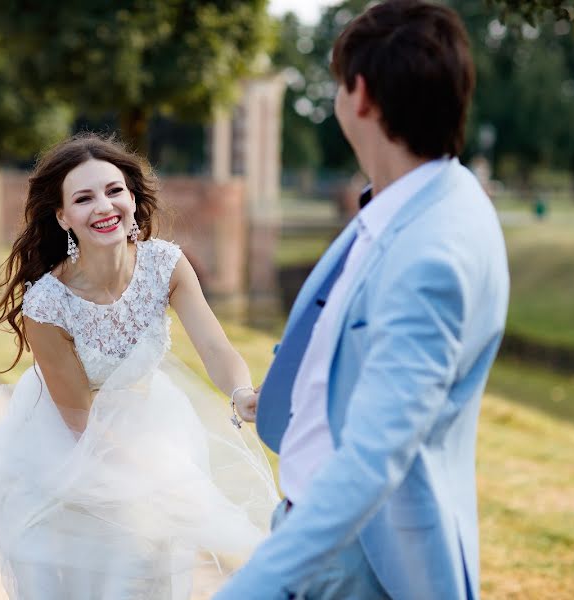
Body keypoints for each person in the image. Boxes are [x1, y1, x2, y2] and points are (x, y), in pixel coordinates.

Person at [216, 1, 509, 599]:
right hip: (325, 540)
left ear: (363, 96)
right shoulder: (416, 197)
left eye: (335, 85)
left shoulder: (433, 254)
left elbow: (369, 466)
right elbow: (348, 341)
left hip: (357, 560)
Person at [0, 134, 278, 600]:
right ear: (63, 217)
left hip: (152, 421)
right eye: (83, 198)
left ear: (132, 197)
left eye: (114, 190)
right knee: (101, 573)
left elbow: (214, 346)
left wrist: (241, 393)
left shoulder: (166, 265)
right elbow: (79, 418)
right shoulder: (47, 303)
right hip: (67, 447)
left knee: (156, 569)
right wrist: (158, 474)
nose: (104, 206)